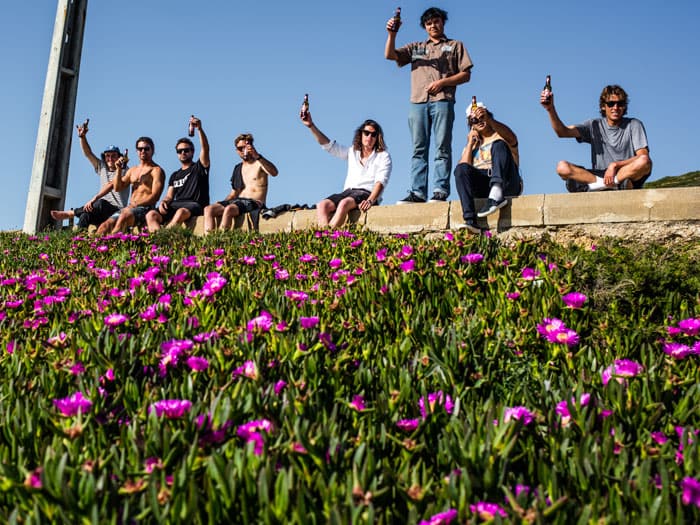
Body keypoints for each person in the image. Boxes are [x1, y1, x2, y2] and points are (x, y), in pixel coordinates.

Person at [384, 6, 473, 204]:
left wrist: (442, 82)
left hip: (443, 101)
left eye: (436, 21)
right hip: (417, 102)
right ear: (425, 27)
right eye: (429, 23)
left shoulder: (455, 45)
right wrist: (392, 34)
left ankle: (440, 190)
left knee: (442, 147)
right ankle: (418, 192)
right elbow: (390, 55)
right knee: (418, 149)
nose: (433, 25)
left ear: (443, 22)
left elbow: (466, 74)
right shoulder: (417, 48)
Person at [541, 84, 652, 192]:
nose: (616, 107)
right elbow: (562, 132)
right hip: (598, 175)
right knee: (562, 167)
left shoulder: (634, 124)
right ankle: (610, 185)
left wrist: (614, 165)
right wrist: (550, 109)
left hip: (624, 172)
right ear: (603, 106)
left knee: (645, 161)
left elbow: (643, 156)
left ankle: (605, 184)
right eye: (611, 104)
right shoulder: (594, 125)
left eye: (620, 103)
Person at [301, 110, 391, 228]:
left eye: (373, 135)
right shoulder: (353, 152)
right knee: (322, 205)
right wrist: (311, 126)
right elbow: (329, 146)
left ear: (377, 138)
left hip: (366, 192)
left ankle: (326, 239)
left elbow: (381, 182)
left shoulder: (383, 156)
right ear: (361, 134)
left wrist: (370, 200)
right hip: (348, 192)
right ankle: (325, 237)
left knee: (343, 204)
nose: (369, 137)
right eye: (366, 133)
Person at [50, 121, 130, 234]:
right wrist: (82, 137)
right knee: (85, 214)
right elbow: (88, 153)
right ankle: (75, 239)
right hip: (99, 209)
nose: (110, 158)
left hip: (116, 210)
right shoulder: (102, 167)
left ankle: (71, 213)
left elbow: (111, 185)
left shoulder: (124, 170)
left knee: (100, 203)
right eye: (107, 156)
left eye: (113, 156)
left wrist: (94, 199)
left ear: (119, 157)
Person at [453, 103, 522, 233]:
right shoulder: (471, 147)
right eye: (474, 120)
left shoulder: (501, 136)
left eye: (481, 117)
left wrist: (489, 120)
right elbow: (461, 171)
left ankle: (497, 192)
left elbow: (512, 138)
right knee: (461, 169)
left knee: (498, 145)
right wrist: (470, 144)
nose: (479, 121)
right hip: (483, 185)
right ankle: (470, 221)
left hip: (507, 182)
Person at [203, 133, 278, 233]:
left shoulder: (259, 163)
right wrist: (222, 202)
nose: (243, 151)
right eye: (240, 148)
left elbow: (274, 172)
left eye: (245, 147)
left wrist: (257, 156)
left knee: (229, 209)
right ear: (236, 150)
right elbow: (234, 193)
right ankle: (209, 242)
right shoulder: (238, 168)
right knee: (209, 209)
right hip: (237, 201)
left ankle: (219, 239)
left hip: (254, 202)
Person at [146, 117, 210, 232]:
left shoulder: (199, 167)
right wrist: (164, 202)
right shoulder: (175, 175)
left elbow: (205, 148)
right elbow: (169, 196)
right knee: (150, 215)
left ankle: (163, 238)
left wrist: (199, 129)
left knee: (181, 212)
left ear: (192, 151)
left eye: (186, 150)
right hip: (176, 204)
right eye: (179, 151)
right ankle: (157, 242)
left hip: (195, 205)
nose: (183, 153)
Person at [110, 137, 165, 233]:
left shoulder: (156, 170)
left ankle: (109, 244)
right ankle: (94, 246)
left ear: (152, 150)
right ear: (137, 151)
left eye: (146, 149)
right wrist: (118, 169)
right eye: (140, 149)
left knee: (123, 218)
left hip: (144, 208)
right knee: (105, 225)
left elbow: (155, 196)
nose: (143, 151)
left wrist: (135, 204)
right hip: (129, 208)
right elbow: (117, 187)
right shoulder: (132, 170)